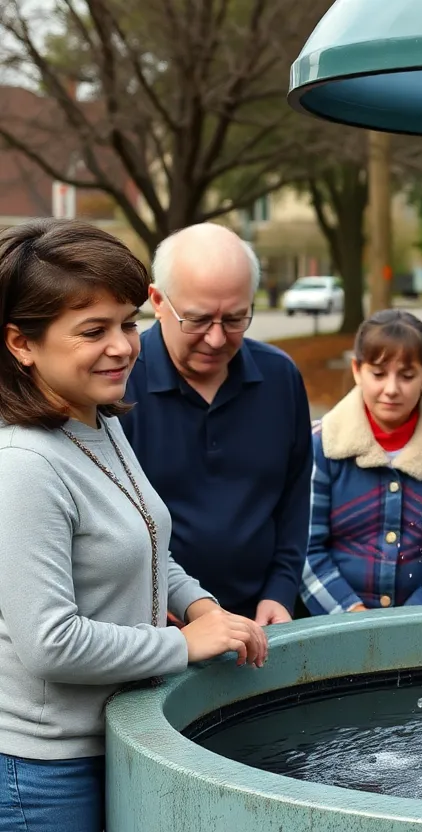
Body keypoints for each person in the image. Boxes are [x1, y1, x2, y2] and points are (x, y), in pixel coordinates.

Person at [0, 219, 267, 832]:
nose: (123, 346)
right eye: (94, 330)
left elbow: (147, 541)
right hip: (43, 774)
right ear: (21, 344)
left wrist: (200, 607)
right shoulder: (23, 465)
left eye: (128, 322)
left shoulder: (99, 422)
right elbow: (51, 643)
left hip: (113, 738)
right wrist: (183, 645)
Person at [120, 223, 311, 625]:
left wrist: (281, 590)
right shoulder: (118, 386)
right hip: (158, 624)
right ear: (157, 300)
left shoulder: (281, 378)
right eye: (198, 319)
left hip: (263, 619)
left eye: (236, 318)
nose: (216, 338)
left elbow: (294, 501)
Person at [300, 309, 422, 614]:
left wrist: (411, 621)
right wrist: (351, 615)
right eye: (378, 373)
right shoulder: (321, 445)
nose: (391, 389)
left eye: (407, 375)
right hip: (332, 631)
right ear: (357, 370)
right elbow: (305, 548)